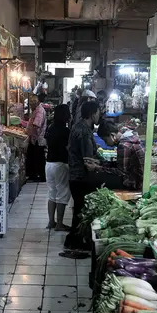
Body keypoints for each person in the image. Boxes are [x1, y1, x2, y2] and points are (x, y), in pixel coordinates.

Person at [65, 101, 101, 250]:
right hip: (80, 176)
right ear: (92, 114)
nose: (99, 115)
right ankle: (75, 241)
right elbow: (88, 160)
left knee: (78, 209)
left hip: (74, 175)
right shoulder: (84, 131)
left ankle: (73, 240)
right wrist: (100, 166)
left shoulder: (77, 126)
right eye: (98, 112)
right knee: (80, 210)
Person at [97, 121, 146, 190]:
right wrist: (100, 163)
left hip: (135, 183)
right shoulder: (130, 139)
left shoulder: (123, 145)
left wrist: (97, 168)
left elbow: (120, 172)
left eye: (105, 140)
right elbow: (120, 164)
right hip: (138, 179)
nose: (106, 144)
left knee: (99, 180)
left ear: (112, 135)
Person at [45, 104, 71, 230]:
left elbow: (47, 143)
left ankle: (51, 222)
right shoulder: (65, 131)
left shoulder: (50, 128)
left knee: (52, 193)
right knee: (62, 193)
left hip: (49, 163)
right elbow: (68, 148)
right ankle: (59, 224)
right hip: (60, 164)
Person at [25, 93, 47, 181]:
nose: (30, 106)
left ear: (35, 103)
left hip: (38, 139)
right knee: (33, 156)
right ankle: (33, 175)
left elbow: (36, 125)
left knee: (38, 158)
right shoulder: (36, 110)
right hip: (34, 138)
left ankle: (40, 176)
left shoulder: (39, 111)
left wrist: (28, 132)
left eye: (31, 104)